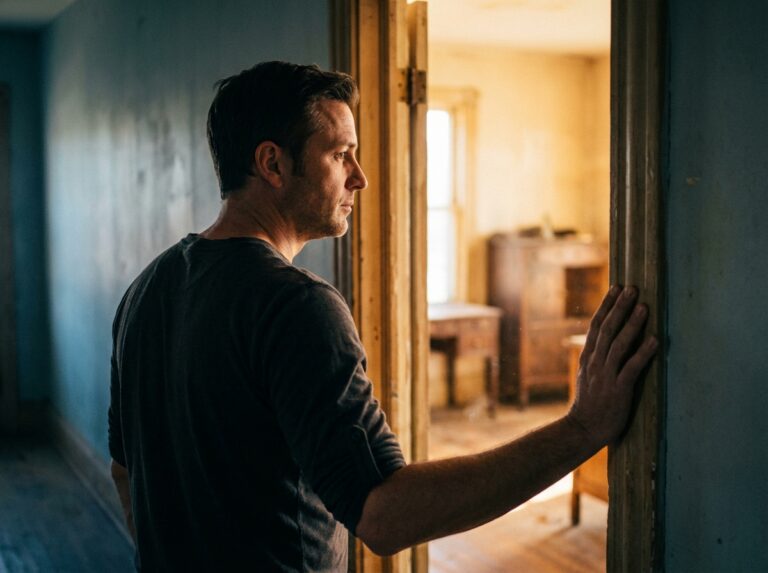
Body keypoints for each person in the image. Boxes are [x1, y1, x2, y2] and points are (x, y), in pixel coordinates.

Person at [109, 61, 658, 572]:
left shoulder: (146, 289)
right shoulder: (294, 305)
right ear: (272, 163)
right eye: (340, 155)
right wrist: (583, 428)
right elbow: (386, 514)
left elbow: (124, 469)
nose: (360, 178)